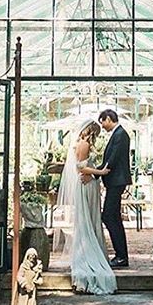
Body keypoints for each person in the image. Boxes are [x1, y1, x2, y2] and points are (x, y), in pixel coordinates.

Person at [55, 119, 117, 295]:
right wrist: (101, 172)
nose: (96, 136)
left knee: (92, 218)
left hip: (90, 185)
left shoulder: (84, 144)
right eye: (96, 133)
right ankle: (89, 254)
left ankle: (96, 250)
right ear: (90, 131)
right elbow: (81, 168)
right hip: (86, 185)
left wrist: (95, 174)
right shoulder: (83, 144)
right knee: (87, 221)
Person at [98, 108, 131, 268]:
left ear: (109, 119)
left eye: (102, 122)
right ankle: (121, 256)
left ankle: (121, 256)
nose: (102, 126)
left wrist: (97, 173)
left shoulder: (120, 135)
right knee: (113, 217)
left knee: (109, 216)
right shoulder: (118, 134)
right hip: (114, 181)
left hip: (117, 181)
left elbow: (113, 158)